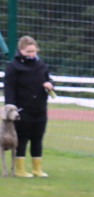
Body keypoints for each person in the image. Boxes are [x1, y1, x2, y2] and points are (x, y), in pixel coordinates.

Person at [3, 36, 54, 178]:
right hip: (21, 109)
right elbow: (9, 87)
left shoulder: (41, 65)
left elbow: (48, 78)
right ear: (20, 50)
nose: (31, 54)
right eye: (28, 51)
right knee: (22, 138)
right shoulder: (13, 65)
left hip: (40, 108)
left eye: (33, 51)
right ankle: (19, 169)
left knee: (37, 138)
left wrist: (50, 84)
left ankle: (37, 169)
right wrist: (10, 107)